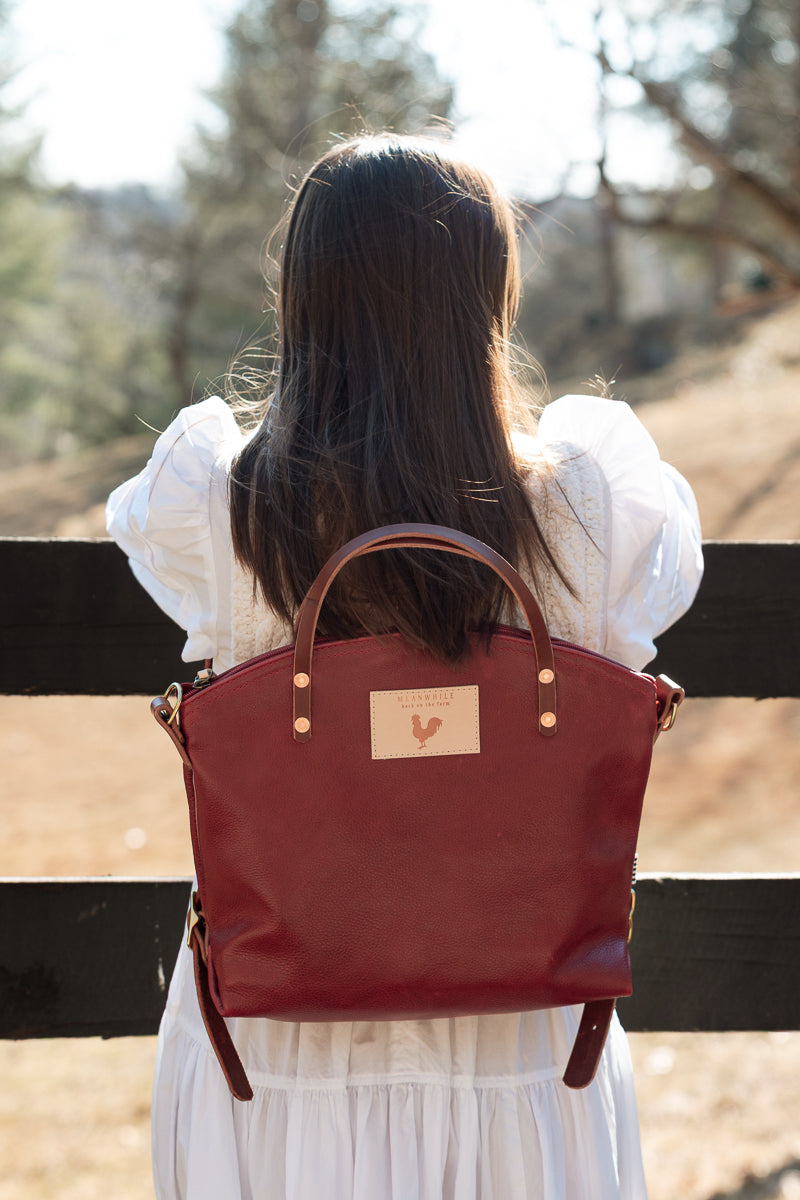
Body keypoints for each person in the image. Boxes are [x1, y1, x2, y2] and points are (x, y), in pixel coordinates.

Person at [107, 134, 703, 1200]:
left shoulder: (215, 499)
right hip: (525, 1045)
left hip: (278, 1049)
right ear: (487, 293)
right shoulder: (590, 504)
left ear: (306, 296)